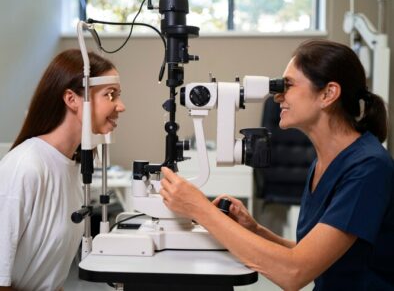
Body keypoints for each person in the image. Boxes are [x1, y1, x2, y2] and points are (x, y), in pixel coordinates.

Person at [160, 40, 394, 290]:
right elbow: (313, 256)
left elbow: (295, 272)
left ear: (328, 94)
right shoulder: (324, 162)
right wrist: (255, 230)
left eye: (288, 85)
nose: (278, 96)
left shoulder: (368, 168)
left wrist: (198, 208)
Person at [0, 49, 126, 291]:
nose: (121, 106)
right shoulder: (26, 167)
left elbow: (50, 275)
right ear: (72, 99)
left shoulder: (70, 167)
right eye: (110, 95)